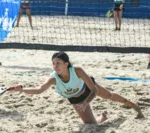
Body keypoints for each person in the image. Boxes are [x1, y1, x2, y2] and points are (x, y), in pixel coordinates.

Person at [11, 52, 144, 124]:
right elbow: (39, 89)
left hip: (88, 89)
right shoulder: (53, 78)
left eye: (58, 63)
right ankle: (103, 117)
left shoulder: (77, 71)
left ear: (66, 64)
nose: (55, 66)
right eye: (53, 64)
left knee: (108, 96)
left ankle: (133, 105)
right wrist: (22, 89)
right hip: (76, 99)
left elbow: (94, 90)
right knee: (91, 124)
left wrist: (86, 102)